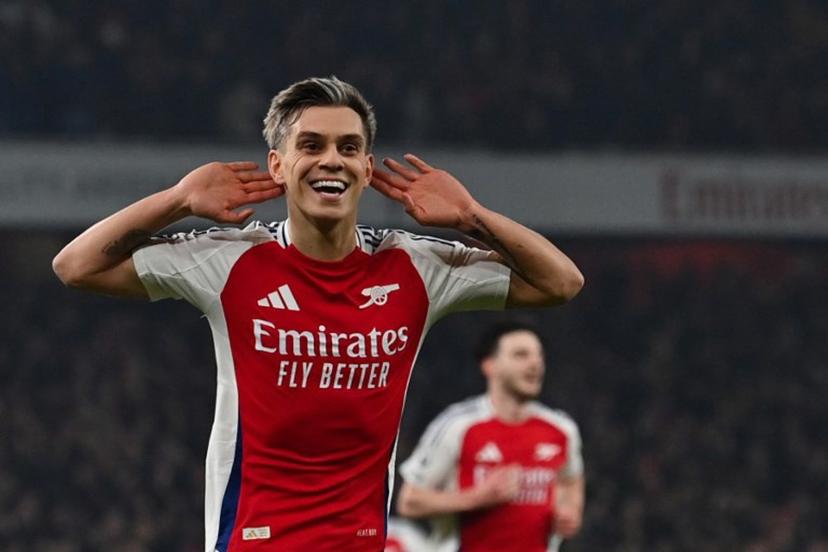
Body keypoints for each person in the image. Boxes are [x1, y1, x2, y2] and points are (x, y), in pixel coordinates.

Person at [52, 76, 584, 551]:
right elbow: (76, 266)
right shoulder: (230, 259)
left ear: (367, 168)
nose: (332, 159)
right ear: (278, 166)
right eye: (311, 145)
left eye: (349, 147)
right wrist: (177, 199)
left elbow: (561, 282)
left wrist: (472, 215)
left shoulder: (415, 268)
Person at [397, 321, 585, 552]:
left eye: (539, 356)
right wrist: (477, 497)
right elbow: (409, 502)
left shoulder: (561, 429)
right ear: (489, 365)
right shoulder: (457, 426)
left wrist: (569, 511)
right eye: (521, 355)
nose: (535, 363)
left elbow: (571, 479)